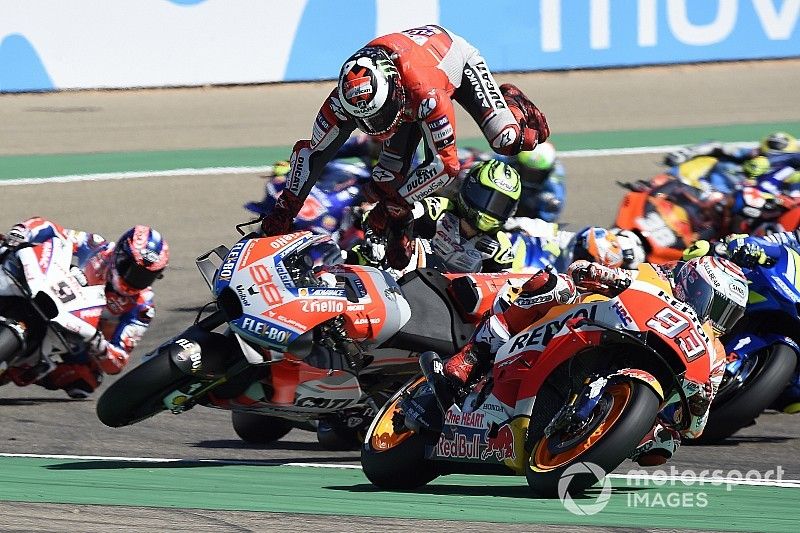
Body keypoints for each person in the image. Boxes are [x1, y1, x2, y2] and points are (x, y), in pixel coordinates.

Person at [260, 25, 550, 270]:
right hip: (406, 94)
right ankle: (396, 234)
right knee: (385, 179)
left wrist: (394, 205)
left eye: (379, 116)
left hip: (449, 63)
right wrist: (285, 208)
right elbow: (311, 153)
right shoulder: (341, 101)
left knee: (508, 140)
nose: (375, 126)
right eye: (365, 120)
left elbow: (446, 166)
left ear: (395, 90)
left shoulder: (428, 94)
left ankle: (510, 105)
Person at [421, 255, 746, 466]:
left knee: (665, 443)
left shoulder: (714, 355)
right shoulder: (655, 278)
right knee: (551, 284)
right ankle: (471, 357)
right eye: (717, 306)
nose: (717, 320)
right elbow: (579, 270)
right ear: (693, 285)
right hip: (587, 326)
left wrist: (698, 406)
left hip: (644, 378)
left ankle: (592, 436)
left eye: (728, 315)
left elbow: (694, 430)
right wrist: (600, 273)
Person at [1, 218, 169, 398]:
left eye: (146, 276)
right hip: (43, 286)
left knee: (85, 379)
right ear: (120, 254)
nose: (134, 279)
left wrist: (99, 344)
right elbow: (52, 229)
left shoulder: (142, 307)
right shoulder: (96, 245)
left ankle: (19, 369)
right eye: (131, 268)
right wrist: (21, 232)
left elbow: (118, 361)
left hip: (71, 330)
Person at [351, 159, 523, 273]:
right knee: (363, 255)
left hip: (452, 309)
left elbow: (503, 291)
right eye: (485, 198)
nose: (490, 210)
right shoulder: (437, 209)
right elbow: (390, 215)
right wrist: (377, 237)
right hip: (406, 284)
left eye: (500, 206)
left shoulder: (501, 248)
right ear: (470, 188)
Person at [505, 142, 566, 222]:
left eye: (536, 174)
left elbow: (549, 217)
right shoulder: (507, 161)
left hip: (530, 213)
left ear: (547, 172)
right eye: (527, 171)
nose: (530, 177)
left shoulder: (553, 184)